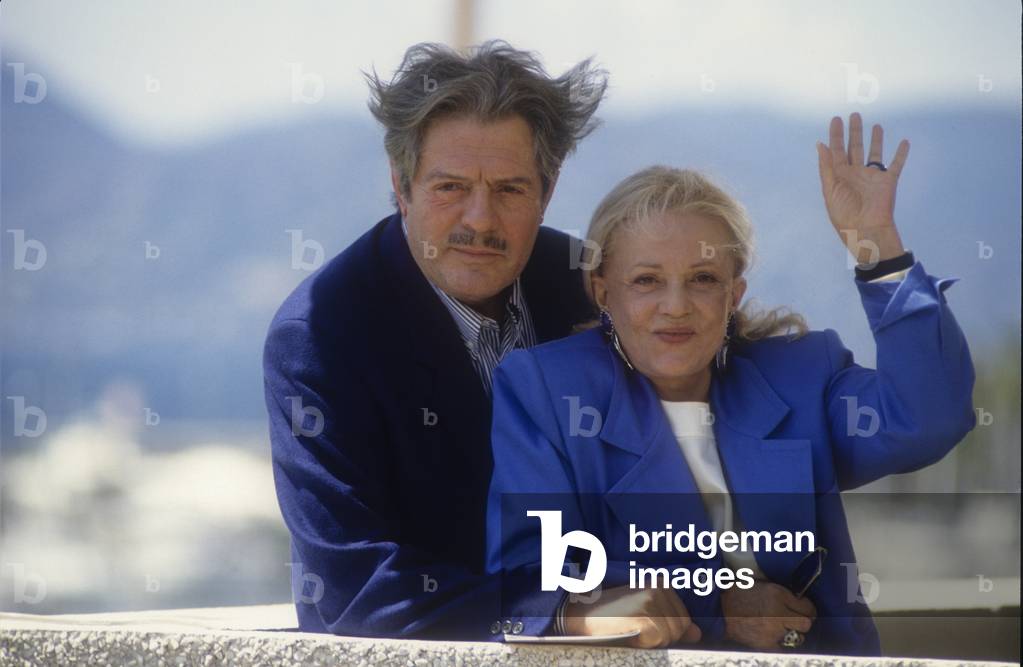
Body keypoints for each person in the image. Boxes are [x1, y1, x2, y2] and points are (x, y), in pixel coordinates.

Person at [485, 114, 976, 654]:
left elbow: (928, 420)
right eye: (647, 280)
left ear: (733, 295)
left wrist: (879, 247)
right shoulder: (547, 390)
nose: (676, 306)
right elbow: (531, 579)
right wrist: (718, 610)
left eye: (703, 279)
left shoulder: (801, 375)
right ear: (604, 294)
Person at [263, 41, 606, 639]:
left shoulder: (595, 287)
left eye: (510, 189)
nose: (480, 220)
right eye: (450, 187)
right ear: (402, 185)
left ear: (547, 192)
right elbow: (354, 591)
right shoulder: (320, 338)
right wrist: (560, 612)